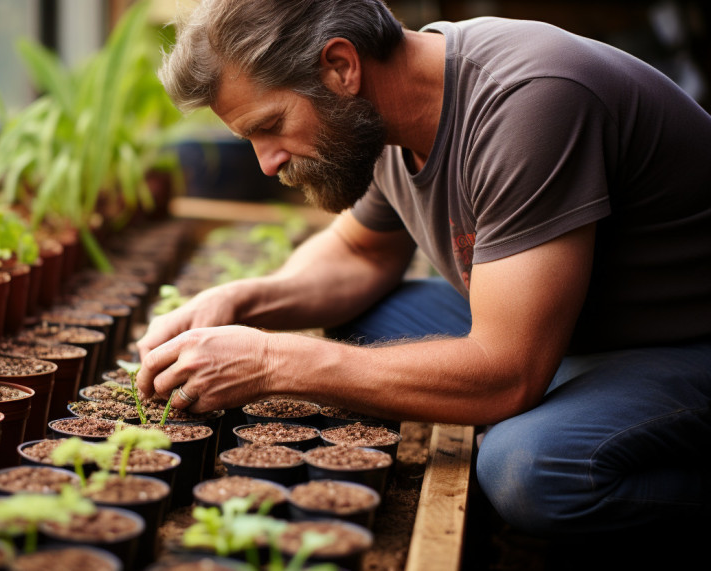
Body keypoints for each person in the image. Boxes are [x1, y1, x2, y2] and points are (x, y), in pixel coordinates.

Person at [135, 0, 711, 541]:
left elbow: (508, 374)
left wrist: (271, 360)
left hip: (679, 341)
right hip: (570, 327)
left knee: (528, 467)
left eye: (270, 124)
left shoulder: (528, 102)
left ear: (340, 65)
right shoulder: (379, 114)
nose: (267, 161)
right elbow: (359, 254)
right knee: (365, 318)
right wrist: (239, 301)